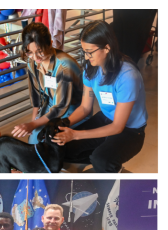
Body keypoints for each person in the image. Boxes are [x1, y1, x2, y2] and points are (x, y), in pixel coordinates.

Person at [55, 21, 148, 173]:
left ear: (107, 48)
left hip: (131, 130)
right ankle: (102, 157)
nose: (86, 57)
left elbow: (118, 126)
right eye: (84, 51)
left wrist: (76, 134)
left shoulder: (128, 76)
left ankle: (108, 164)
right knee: (63, 147)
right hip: (105, 118)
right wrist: (64, 122)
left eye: (89, 52)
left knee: (101, 160)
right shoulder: (90, 69)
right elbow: (85, 108)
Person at [11, 22, 84, 144]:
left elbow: (61, 106)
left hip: (72, 109)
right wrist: (34, 121)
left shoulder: (64, 66)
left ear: (50, 43)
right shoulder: (32, 62)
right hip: (51, 105)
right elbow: (36, 95)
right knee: (34, 141)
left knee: (49, 141)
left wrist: (33, 124)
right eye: (29, 52)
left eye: (40, 51)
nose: (35, 57)